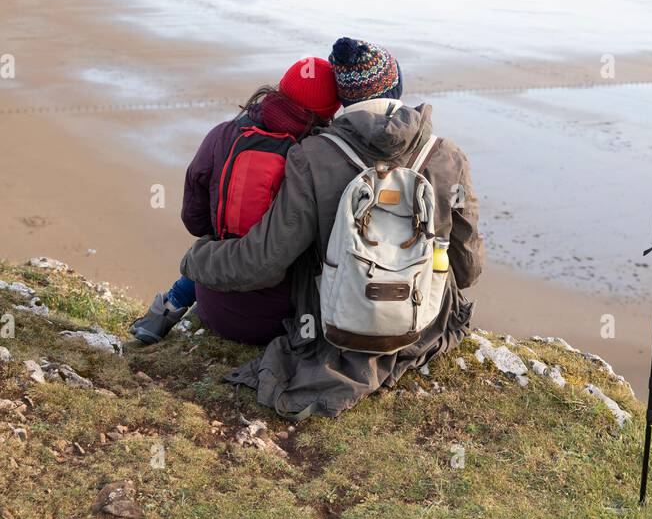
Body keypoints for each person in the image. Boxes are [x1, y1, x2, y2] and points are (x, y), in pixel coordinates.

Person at [180, 37, 484, 418]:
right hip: (422, 324)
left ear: (344, 101)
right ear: (397, 87)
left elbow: (263, 260)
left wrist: (198, 258)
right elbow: (469, 269)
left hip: (338, 328)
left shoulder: (314, 157)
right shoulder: (449, 157)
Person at [130, 56, 340, 344]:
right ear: (328, 114)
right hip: (284, 319)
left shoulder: (222, 136)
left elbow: (194, 221)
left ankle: (167, 307)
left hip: (214, 307)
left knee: (221, 239)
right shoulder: (319, 159)